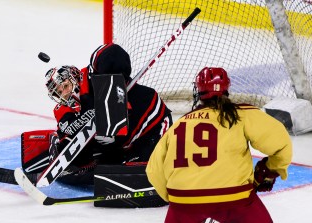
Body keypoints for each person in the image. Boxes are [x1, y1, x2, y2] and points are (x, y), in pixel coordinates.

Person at [146, 67, 292, 223]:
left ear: (199, 92)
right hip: (234, 198)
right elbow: (281, 143)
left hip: (184, 202)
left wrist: (177, 200)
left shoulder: (179, 124)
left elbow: (153, 171)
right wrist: (270, 170)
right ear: (226, 90)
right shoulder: (241, 114)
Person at [44, 43, 173, 185]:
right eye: (59, 92)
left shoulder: (90, 77)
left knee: (151, 170)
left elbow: (112, 52)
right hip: (122, 146)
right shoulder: (62, 110)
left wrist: (113, 83)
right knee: (97, 168)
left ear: (75, 77)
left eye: (66, 86)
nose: (65, 93)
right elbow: (69, 141)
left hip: (150, 125)